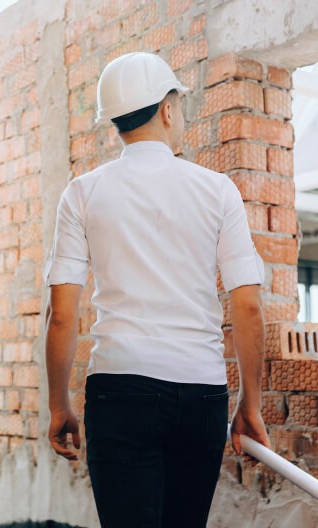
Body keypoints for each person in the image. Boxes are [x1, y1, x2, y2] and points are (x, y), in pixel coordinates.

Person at [43, 52, 272, 528]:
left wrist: (58, 403)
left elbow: (62, 314)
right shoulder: (218, 190)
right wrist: (249, 404)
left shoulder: (82, 193)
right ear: (168, 109)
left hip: (120, 390)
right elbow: (247, 306)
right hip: (201, 394)